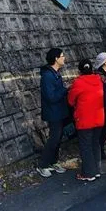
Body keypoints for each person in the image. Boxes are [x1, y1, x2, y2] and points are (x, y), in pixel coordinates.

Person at [68, 59, 105, 182]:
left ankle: (89, 173)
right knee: (95, 143)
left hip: (84, 119)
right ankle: (97, 170)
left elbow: (71, 100)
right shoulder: (98, 80)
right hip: (99, 118)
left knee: (86, 146)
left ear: (80, 70)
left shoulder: (78, 82)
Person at [37, 48, 69, 178]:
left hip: (59, 111)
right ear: (56, 58)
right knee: (54, 138)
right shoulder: (47, 76)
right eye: (62, 56)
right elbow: (51, 97)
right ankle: (43, 165)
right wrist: (65, 90)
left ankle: (53, 162)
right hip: (53, 112)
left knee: (58, 138)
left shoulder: (55, 73)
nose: (64, 58)